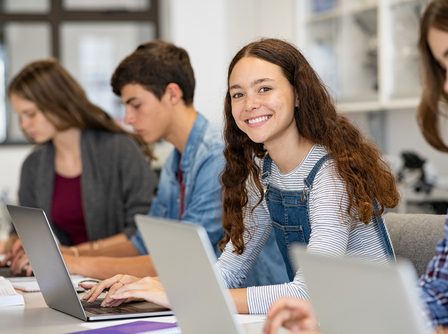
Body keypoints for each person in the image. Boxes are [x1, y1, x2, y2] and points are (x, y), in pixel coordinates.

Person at [82, 37, 400, 314]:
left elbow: (308, 292)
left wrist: (182, 296)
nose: (250, 104)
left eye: (264, 88)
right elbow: (229, 271)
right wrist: (148, 285)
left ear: (299, 94)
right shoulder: (264, 172)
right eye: (238, 94)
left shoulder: (329, 174)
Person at [265, 1, 448, 333]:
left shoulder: (328, 173)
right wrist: (340, 322)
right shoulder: (265, 171)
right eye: (443, 67)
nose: (446, 86)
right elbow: (437, 297)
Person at [62, 40, 289, 284]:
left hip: (249, 307)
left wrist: (75, 263)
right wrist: (71, 253)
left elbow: (182, 257)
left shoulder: (217, 155)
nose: (128, 118)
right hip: (204, 293)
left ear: (172, 94)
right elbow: (144, 242)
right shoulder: (175, 161)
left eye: (135, 105)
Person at [1, 59, 157, 276]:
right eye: (20, 116)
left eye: (31, 114)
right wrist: (18, 242)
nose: (24, 125)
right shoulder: (34, 165)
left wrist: (67, 255)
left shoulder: (120, 150)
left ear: (56, 104)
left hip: (120, 278)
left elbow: (141, 234)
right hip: (67, 277)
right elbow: (20, 228)